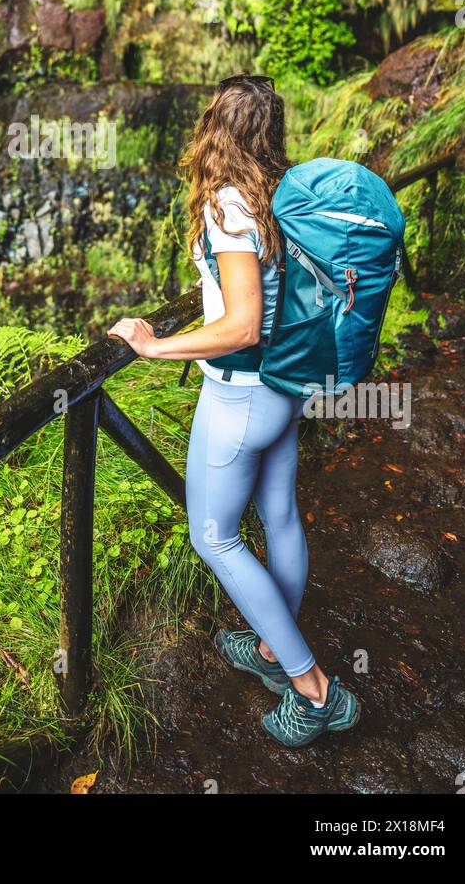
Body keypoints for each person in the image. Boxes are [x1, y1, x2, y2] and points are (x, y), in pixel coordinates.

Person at [108, 74, 359, 747]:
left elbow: (243, 323)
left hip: (241, 394)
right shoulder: (285, 192)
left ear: (216, 125)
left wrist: (156, 346)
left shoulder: (228, 205)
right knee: (278, 515)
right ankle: (273, 653)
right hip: (285, 387)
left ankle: (313, 691)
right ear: (270, 130)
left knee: (213, 535)